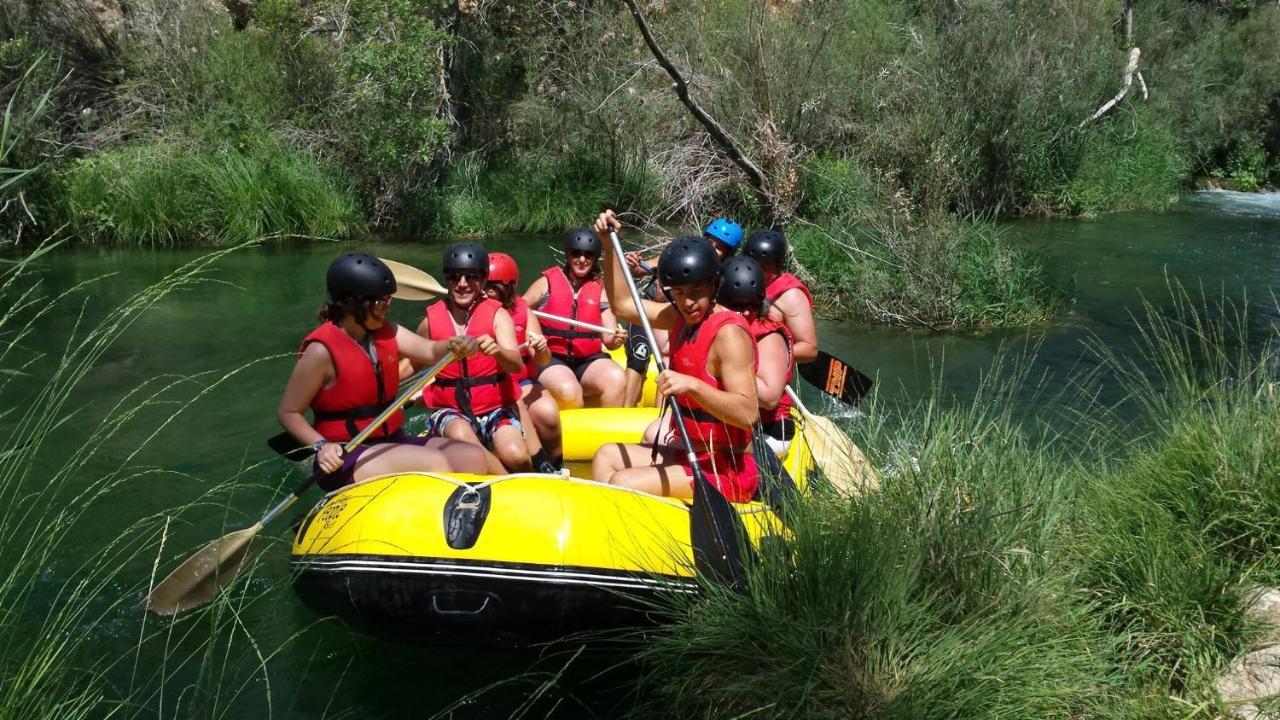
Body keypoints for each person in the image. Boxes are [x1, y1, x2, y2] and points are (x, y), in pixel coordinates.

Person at [277, 252, 496, 490]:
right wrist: (321, 446)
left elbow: (430, 350)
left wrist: (456, 344)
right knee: (435, 464)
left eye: (388, 300)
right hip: (345, 452)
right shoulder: (321, 352)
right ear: (353, 305)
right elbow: (289, 412)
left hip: (391, 439)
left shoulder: (387, 331)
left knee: (472, 457)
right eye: (380, 302)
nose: (387, 307)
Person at [591, 211, 760, 502]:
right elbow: (621, 305)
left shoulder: (729, 334)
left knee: (622, 480)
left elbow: (748, 414)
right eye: (679, 293)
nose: (688, 302)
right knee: (606, 455)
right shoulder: (680, 317)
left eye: (696, 291)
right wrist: (607, 244)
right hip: (689, 451)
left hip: (725, 468)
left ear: (714, 285)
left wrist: (692, 385)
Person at [417, 242, 532, 473]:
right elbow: (414, 362)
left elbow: (516, 364)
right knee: (465, 441)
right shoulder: (430, 320)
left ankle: (529, 475)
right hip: (450, 409)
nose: (462, 284)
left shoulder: (498, 314)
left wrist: (497, 351)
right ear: (446, 279)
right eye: (454, 277)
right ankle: (504, 483)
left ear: (482, 280)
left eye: (471, 277)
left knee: (517, 455)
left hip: (495, 406)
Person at [620, 217, 743, 406]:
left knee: (671, 357)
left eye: (719, 247)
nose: (711, 248)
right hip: (654, 310)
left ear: (728, 255)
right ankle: (624, 413)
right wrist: (632, 264)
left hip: (679, 318)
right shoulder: (678, 255)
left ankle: (662, 414)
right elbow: (639, 270)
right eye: (710, 241)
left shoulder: (718, 279)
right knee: (639, 356)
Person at [523, 228, 627, 409]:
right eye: (576, 254)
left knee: (616, 379)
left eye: (588, 255)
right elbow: (518, 309)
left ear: (595, 258)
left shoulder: (601, 289)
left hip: (588, 360)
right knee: (568, 390)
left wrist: (617, 339)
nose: (582, 260)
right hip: (551, 357)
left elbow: (609, 342)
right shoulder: (546, 283)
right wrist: (529, 336)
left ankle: (608, 434)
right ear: (568, 255)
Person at [484, 251, 562, 473]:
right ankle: (537, 465)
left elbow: (543, 360)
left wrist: (541, 348)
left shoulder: (523, 311)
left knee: (547, 412)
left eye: (493, 286)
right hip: (490, 387)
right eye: (484, 284)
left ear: (509, 287)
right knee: (516, 403)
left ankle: (556, 464)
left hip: (522, 382)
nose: (486, 291)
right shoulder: (472, 314)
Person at [717, 256, 796, 456]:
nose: (743, 312)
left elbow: (769, 398)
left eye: (750, 305)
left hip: (768, 431)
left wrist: (724, 366)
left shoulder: (769, 337)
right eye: (735, 305)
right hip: (732, 420)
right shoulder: (720, 324)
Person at [740, 229, 818, 363]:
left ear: (778, 266)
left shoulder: (791, 296)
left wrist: (755, 356)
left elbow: (809, 349)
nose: (756, 272)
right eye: (752, 265)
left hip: (762, 368)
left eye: (763, 268)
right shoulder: (741, 280)